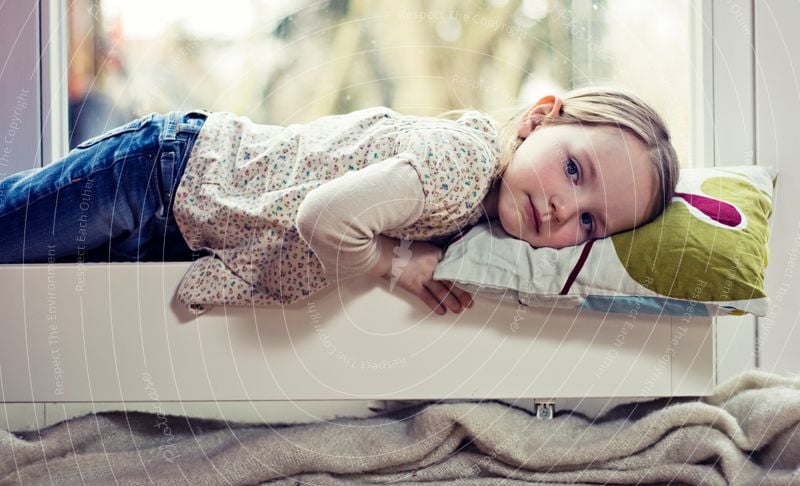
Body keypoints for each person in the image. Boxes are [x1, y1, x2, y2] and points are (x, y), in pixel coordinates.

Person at [0, 87, 678, 316]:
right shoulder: (461, 165)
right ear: (538, 118)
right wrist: (392, 266)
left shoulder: (479, 205)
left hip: (180, 218)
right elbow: (322, 218)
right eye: (573, 168)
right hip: (160, 178)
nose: (565, 209)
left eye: (590, 220)